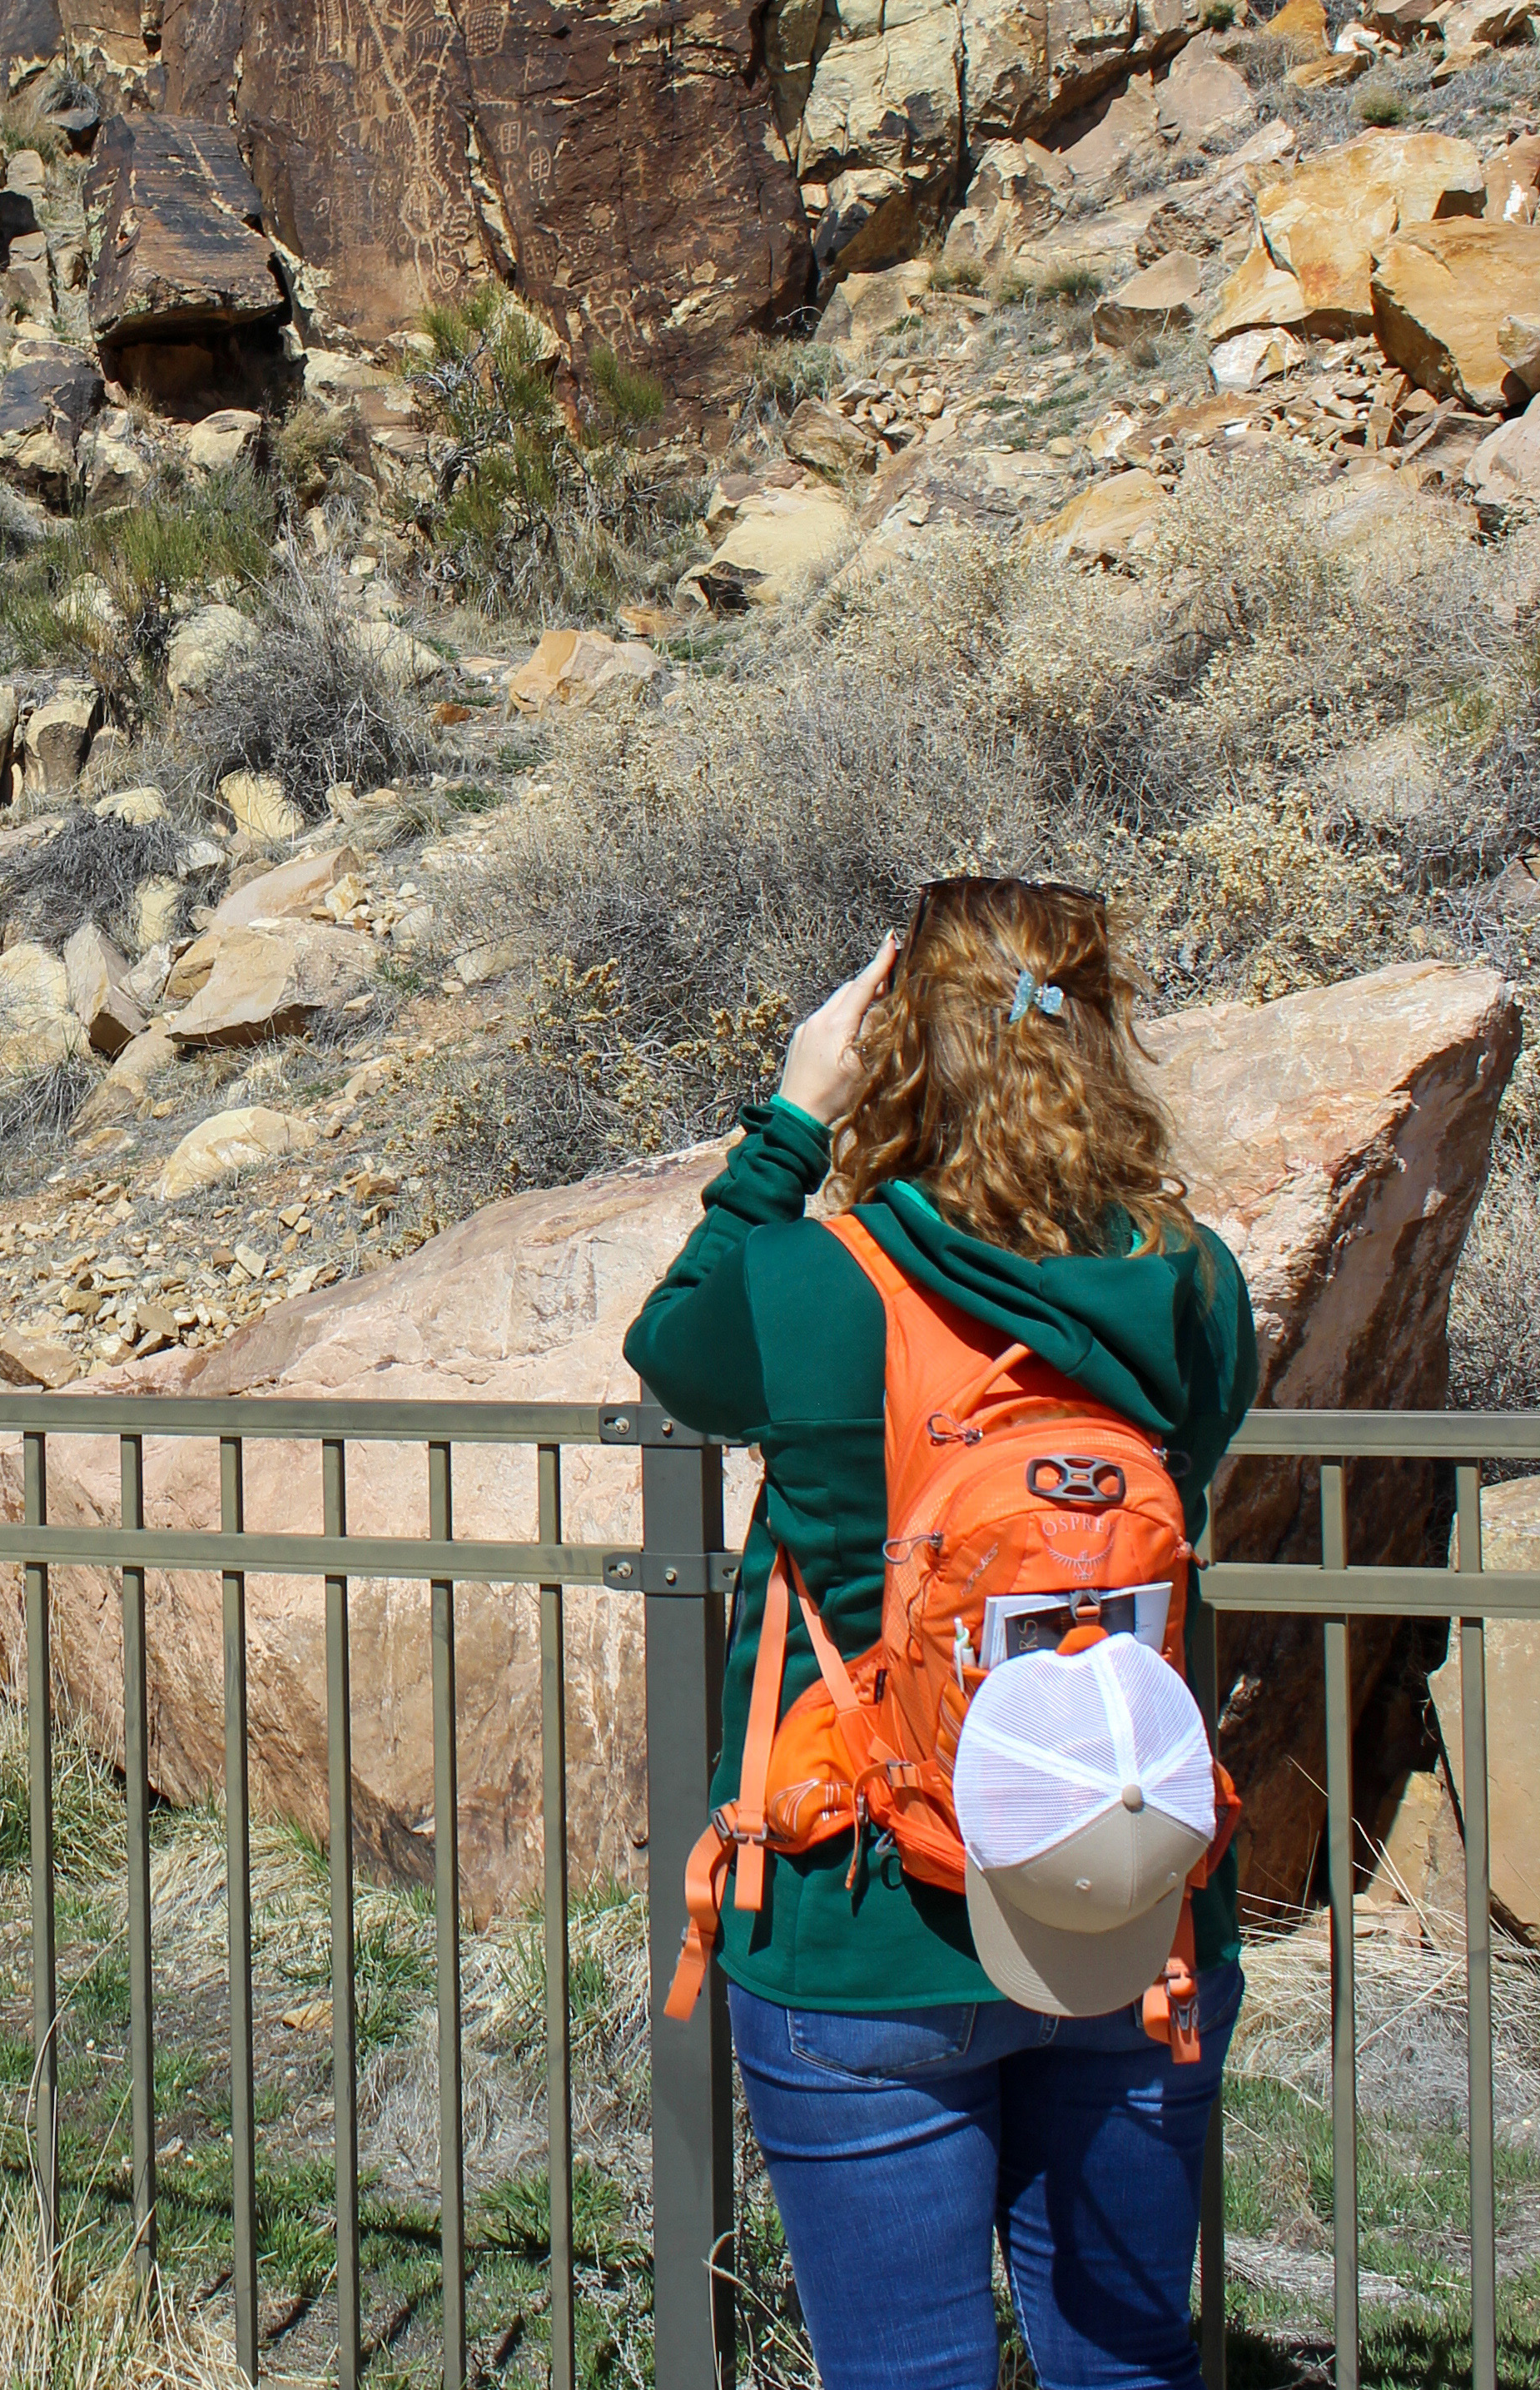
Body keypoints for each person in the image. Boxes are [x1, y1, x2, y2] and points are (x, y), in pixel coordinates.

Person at [624, 877, 1261, 2390]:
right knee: (1131, 2360)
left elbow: (672, 1347)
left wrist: (792, 1118)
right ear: (1099, 1042)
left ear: (896, 1049)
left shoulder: (813, 1281)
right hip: (1129, 1897)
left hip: (865, 1918)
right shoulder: (1188, 1281)